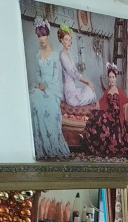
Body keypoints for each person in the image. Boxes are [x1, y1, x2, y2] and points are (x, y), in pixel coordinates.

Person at [28, 18, 70, 160]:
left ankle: (52, 145)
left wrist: (45, 87)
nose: (41, 39)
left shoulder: (56, 55)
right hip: (41, 87)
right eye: (39, 36)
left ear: (48, 35)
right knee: (32, 96)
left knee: (43, 101)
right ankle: (39, 144)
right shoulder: (37, 55)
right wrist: (40, 84)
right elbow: (38, 74)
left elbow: (56, 78)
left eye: (43, 35)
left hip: (52, 91)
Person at [57, 24, 98, 108]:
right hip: (70, 94)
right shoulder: (62, 55)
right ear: (61, 40)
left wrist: (88, 84)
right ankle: (96, 103)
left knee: (90, 89)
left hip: (73, 90)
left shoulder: (67, 54)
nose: (69, 42)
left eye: (70, 40)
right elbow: (74, 74)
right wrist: (88, 82)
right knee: (90, 90)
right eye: (66, 39)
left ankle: (97, 104)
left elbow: (75, 71)